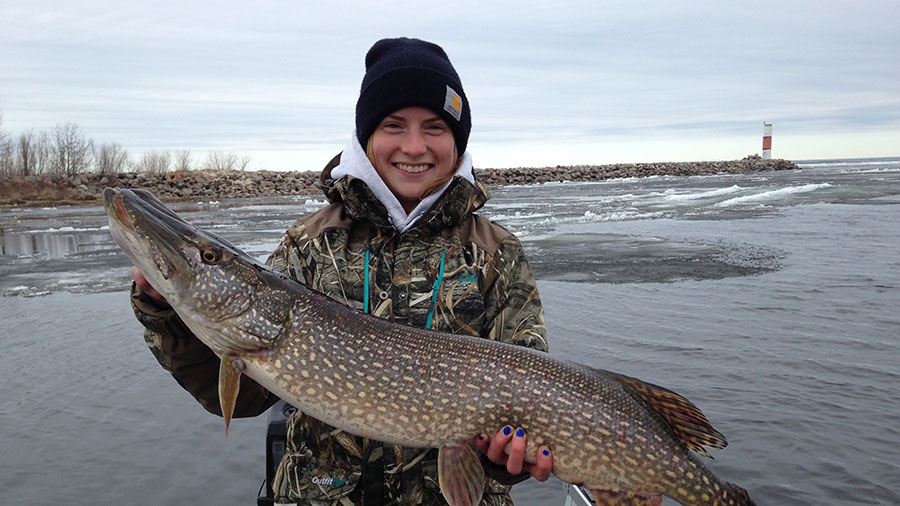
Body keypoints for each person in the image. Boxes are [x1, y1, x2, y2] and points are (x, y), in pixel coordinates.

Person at [131, 37, 552, 506]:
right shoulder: (308, 245)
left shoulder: (497, 254)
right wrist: (164, 313)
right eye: (394, 125)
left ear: (457, 140)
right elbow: (241, 398)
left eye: (434, 127)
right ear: (367, 137)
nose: (414, 146)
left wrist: (501, 459)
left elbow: (530, 417)